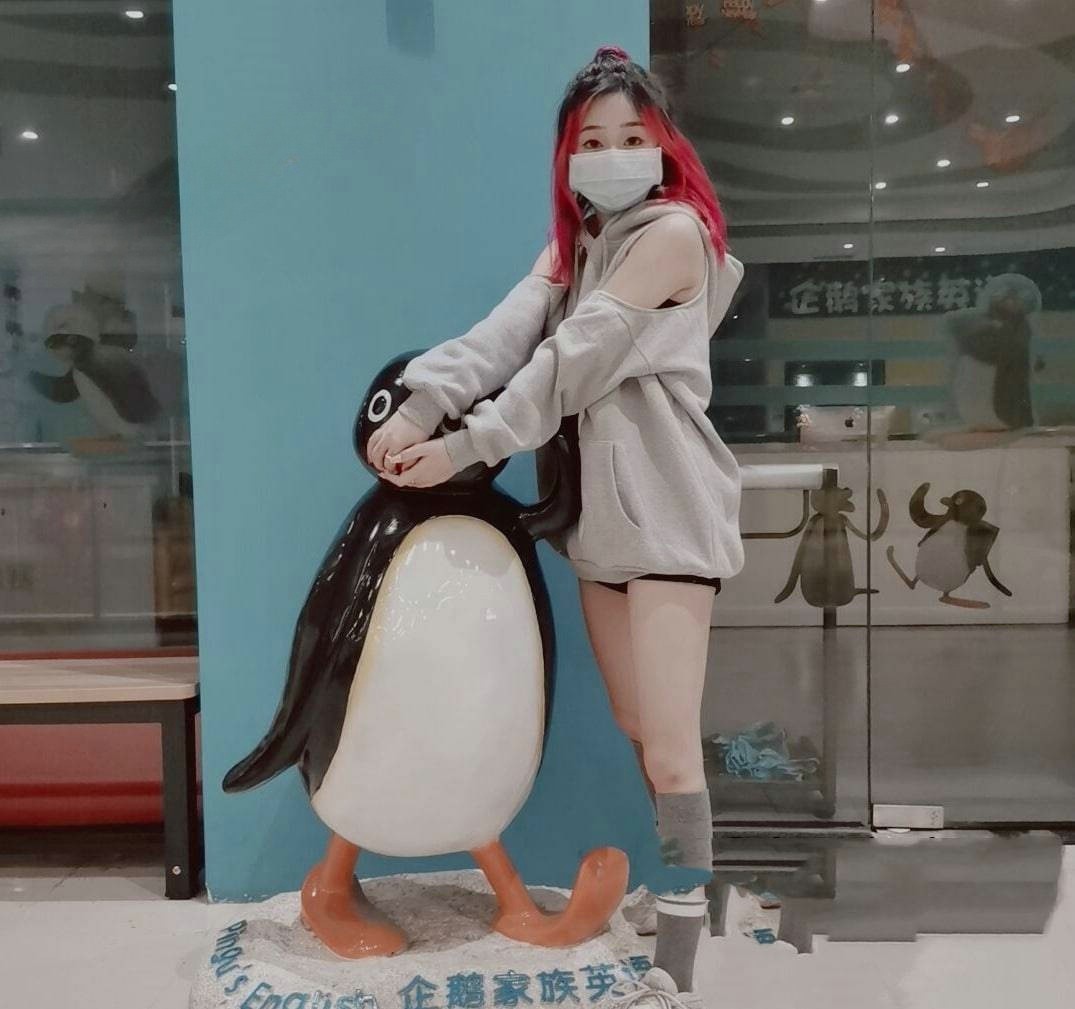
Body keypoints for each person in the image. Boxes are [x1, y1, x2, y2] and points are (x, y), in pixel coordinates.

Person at [366, 46, 744, 1008]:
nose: (613, 156)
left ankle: (679, 960)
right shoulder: (578, 247)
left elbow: (567, 364)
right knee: (635, 725)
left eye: (631, 137)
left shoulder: (671, 236)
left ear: (663, 145)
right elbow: (503, 337)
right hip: (600, 520)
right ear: (568, 155)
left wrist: (464, 446)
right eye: (593, 141)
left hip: (668, 513)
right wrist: (416, 406)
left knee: (670, 742)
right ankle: (695, 887)